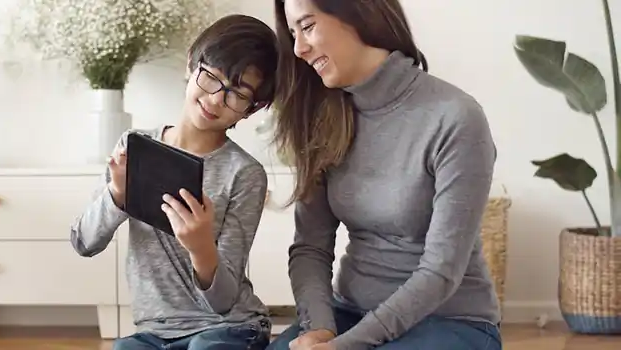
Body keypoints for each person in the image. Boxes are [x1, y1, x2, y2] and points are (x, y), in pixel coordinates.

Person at [265, 1, 503, 349]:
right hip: (348, 313)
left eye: (308, 26)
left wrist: (345, 346)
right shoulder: (323, 115)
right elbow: (310, 247)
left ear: (358, 13)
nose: (299, 48)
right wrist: (319, 330)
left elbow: (441, 270)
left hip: (449, 320)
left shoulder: (455, 118)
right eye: (293, 34)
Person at [70, 14, 279, 350]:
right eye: (211, 77)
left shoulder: (245, 173)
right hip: (155, 332)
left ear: (249, 111)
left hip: (229, 328)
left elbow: (224, 301)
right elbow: (84, 241)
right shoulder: (133, 146)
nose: (215, 100)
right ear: (191, 65)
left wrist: (200, 247)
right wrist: (117, 195)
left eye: (236, 94)